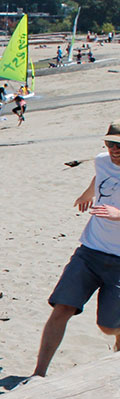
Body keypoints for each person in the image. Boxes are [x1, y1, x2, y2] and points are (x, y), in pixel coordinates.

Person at [34, 122, 120, 375]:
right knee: (62, 307)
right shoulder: (102, 161)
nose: (114, 150)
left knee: (107, 326)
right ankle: (38, 374)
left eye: (119, 145)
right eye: (110, 144)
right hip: (90, 251)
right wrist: (87, 193)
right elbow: (100, 175)